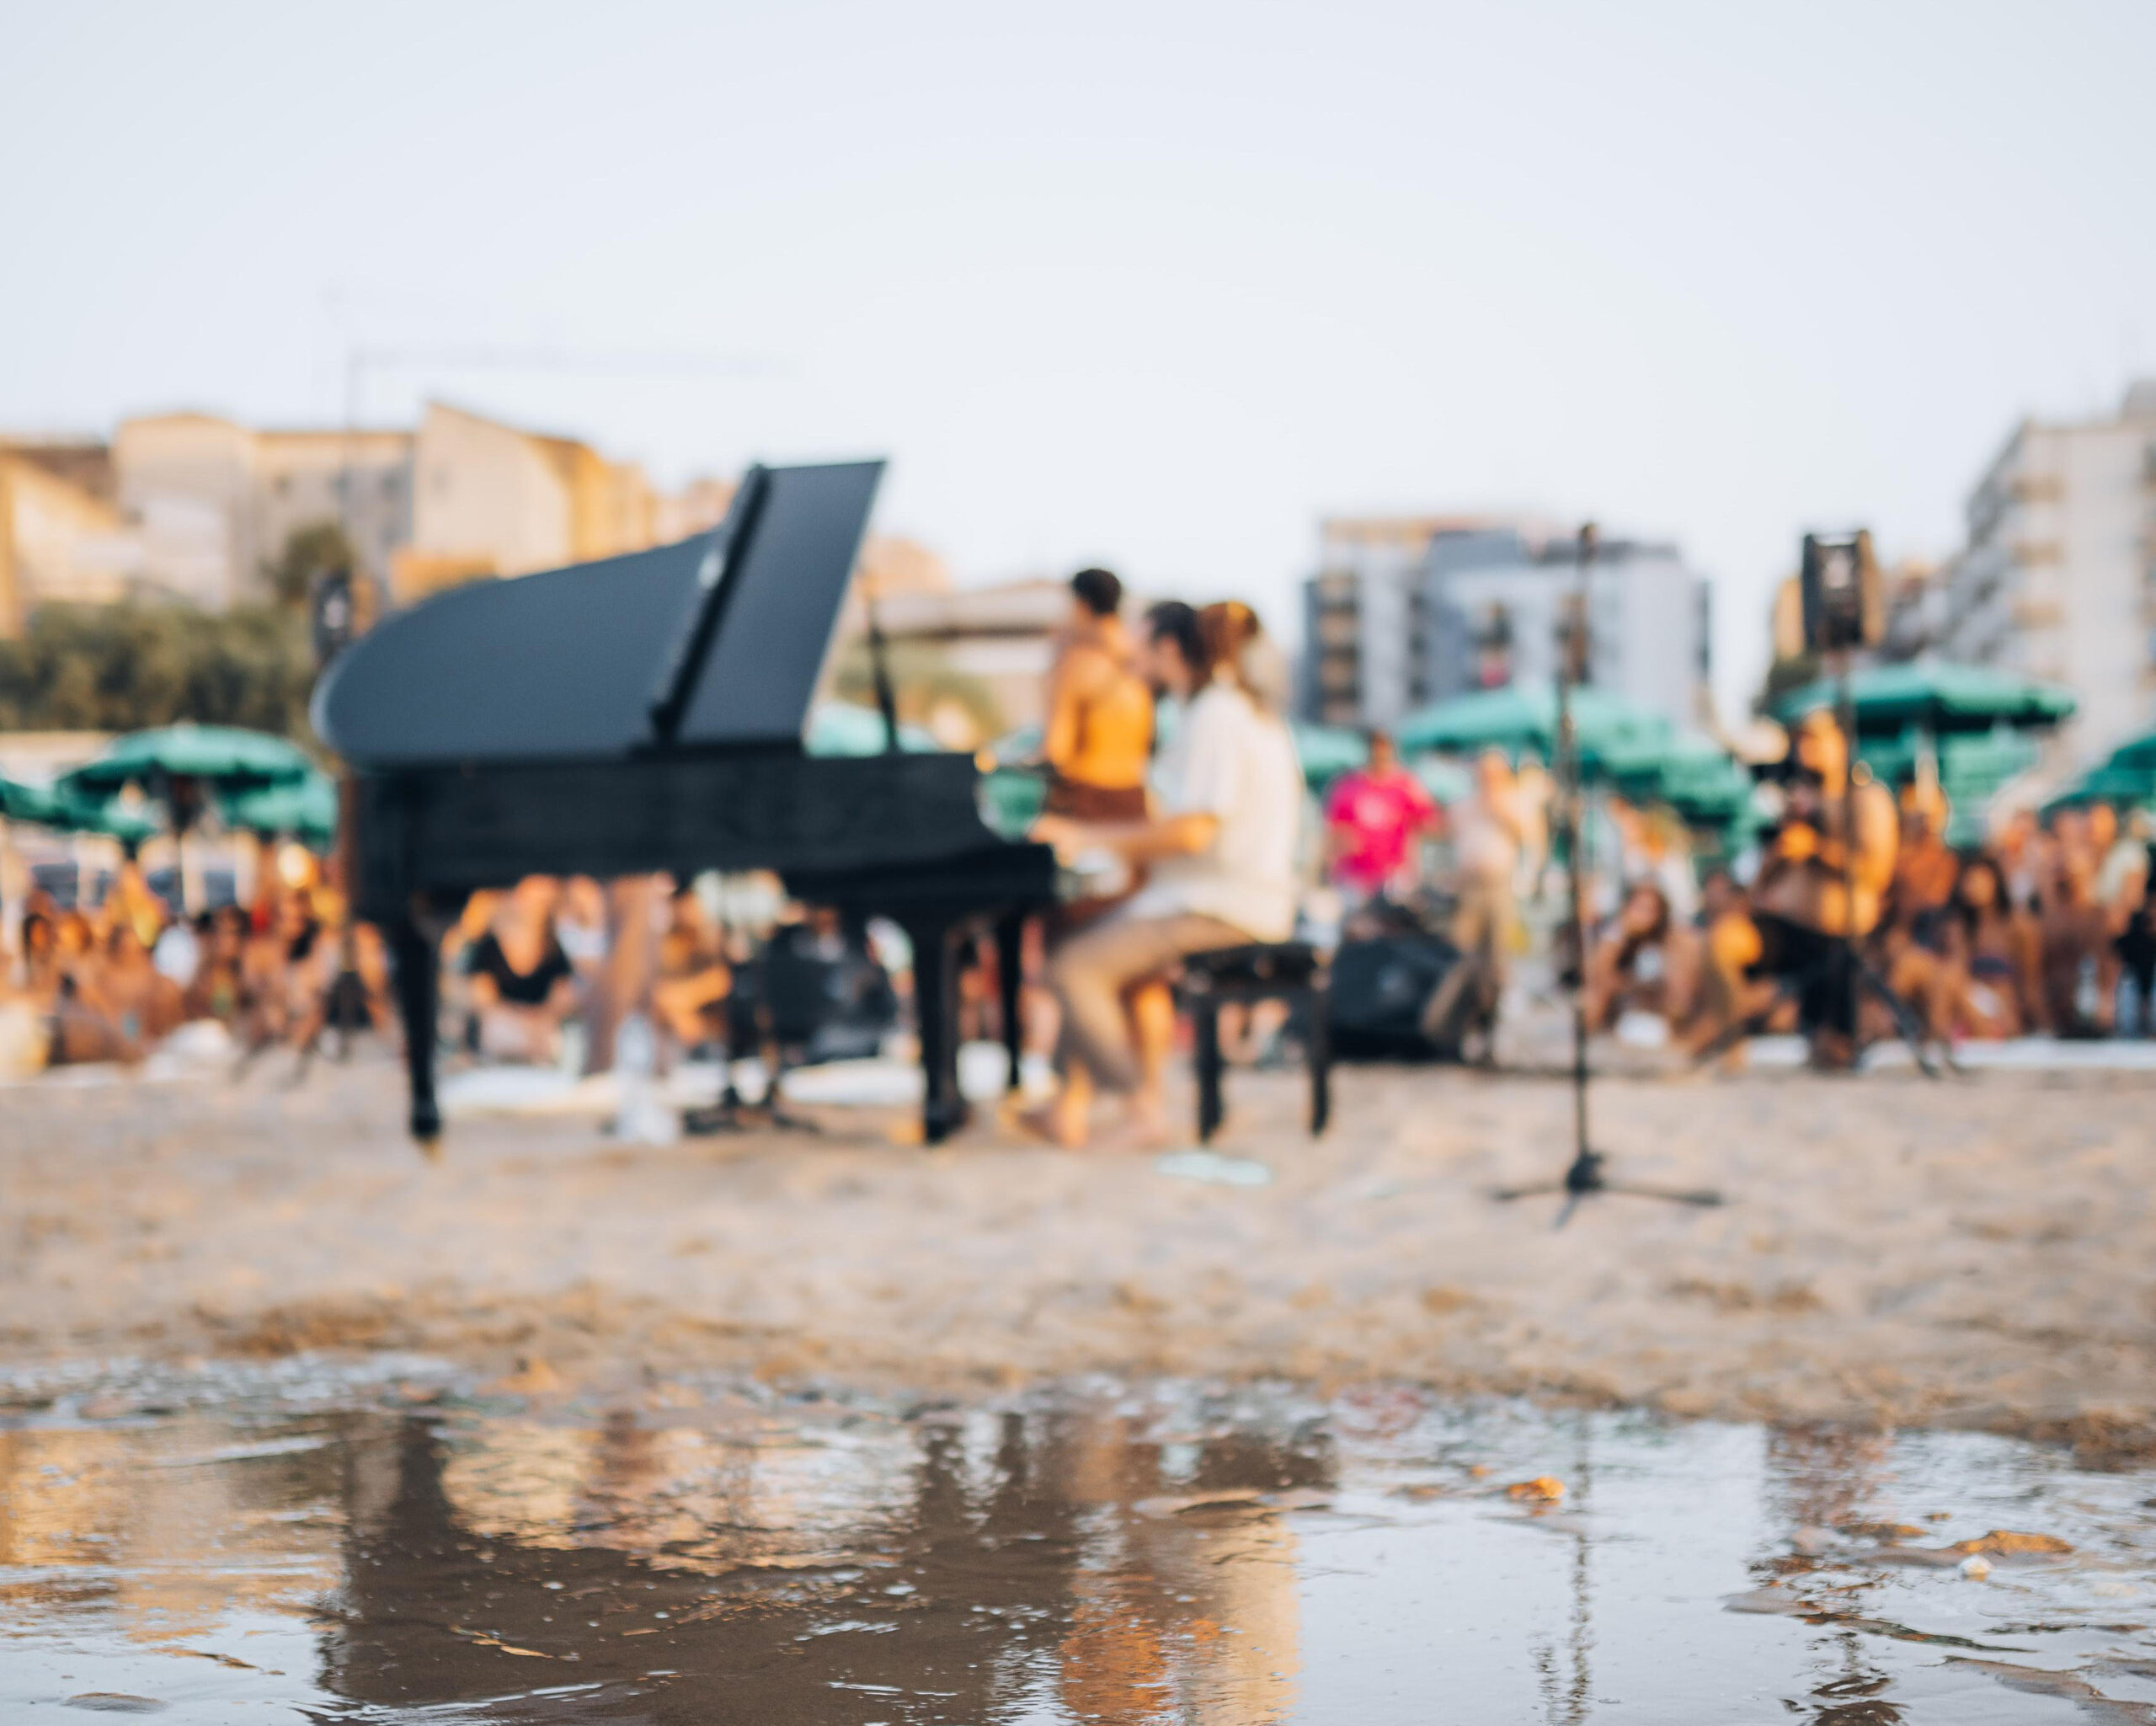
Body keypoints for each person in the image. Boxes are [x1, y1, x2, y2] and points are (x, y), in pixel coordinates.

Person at [1029, 600, 1302, 1149]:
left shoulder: (1215, 716)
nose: (1130, 653)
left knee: (1074, 967)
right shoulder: (1236, 711)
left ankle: (1138, 1109)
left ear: (1169, 649)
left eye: (1140, 641)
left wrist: (1087, 837)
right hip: (1221, 893)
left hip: (1223, 902)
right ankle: (1070, 1106)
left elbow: (1193, 832)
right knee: (1097, 948)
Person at [1743, 710, 1898, 1066]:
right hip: (1787, 928)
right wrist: (1781, 850)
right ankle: (1716, 1037)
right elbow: (1763, 877)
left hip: (1837, 935)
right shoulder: (1797, 801)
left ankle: (1835, 1038)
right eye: (1801, 742)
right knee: (1725, 943)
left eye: (1816, 740)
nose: (1805, 750)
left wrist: (1816, 848)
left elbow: (1876, 872)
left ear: (1841, 745)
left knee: (1832, 1045)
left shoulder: (1866, 798)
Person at [1038, 567, 1154, 824]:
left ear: (1081, 605)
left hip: (1086, 804)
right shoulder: (1141, 663)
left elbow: (1056, 749)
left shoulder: (1077, 664)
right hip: (1135, 802)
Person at [465, 875, 579, 1062]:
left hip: (539, 1029)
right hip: (504, 1026)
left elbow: (562, 999)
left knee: (551, 1037)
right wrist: (522, 1017)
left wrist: (539, 1019)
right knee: (496, 1029)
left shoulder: (553, 946)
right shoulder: (489, 944)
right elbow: (482, 1000)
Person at [1323, 730, 1438, 901]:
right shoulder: (1349, 787)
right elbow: (1335, 831)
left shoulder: (1406, 785)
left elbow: (1429, 824)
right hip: (1355, 875)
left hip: (1395, 875)